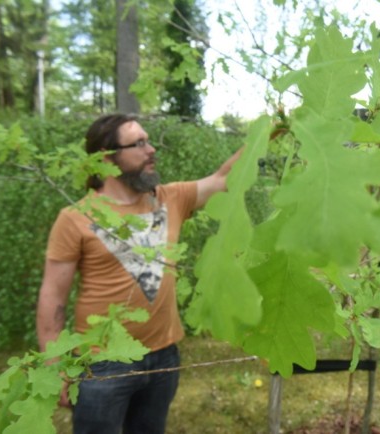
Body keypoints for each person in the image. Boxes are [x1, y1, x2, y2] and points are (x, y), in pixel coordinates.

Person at [36, 113, 242, 434]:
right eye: (139, 144)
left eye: (149, 141)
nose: (151, 150)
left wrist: (267, 133)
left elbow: (222, 180)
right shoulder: (75, 217)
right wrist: (54, 365)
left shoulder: (169, 198)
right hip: (102, 363)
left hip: (164, 356)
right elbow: (53, 296)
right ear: (106, 157)